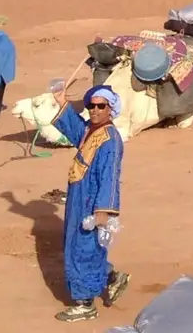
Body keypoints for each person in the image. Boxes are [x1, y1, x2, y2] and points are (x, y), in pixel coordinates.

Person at [47, 82, 130, 322]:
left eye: (100, 106)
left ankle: (85, 304)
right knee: (81, 244)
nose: (94, 110)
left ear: (110, 109)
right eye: (91, 106)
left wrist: (104, 210)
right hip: (78, 196)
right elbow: (75, 130)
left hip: (92, 201)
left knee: (83, 248)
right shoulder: (90, 130)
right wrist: (63, 101)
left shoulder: (111, 140)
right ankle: (111, 276)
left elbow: (110, 176)